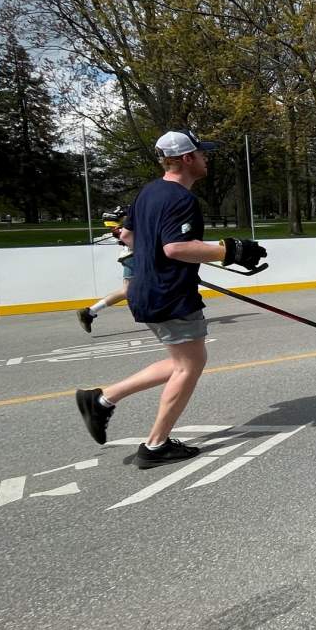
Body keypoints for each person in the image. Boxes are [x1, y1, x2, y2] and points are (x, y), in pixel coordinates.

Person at [73, 129, 267, 469]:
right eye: (202, 154)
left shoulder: (148, 193)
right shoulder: (181, 199)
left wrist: (161, 263)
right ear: (188, 159)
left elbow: (130, 237)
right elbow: (175, 247)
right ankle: (155, 445)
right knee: (190, 365)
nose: (207, 159)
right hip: (169, 295)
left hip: (145, 291)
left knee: (183, 361)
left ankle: (102, 400)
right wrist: (230, 250)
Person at [77, 206, 135, 333]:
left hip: (129, 256)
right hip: (133, 256)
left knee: (126, 291)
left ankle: (90, 312)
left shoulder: (124, 224)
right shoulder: (127, 225)